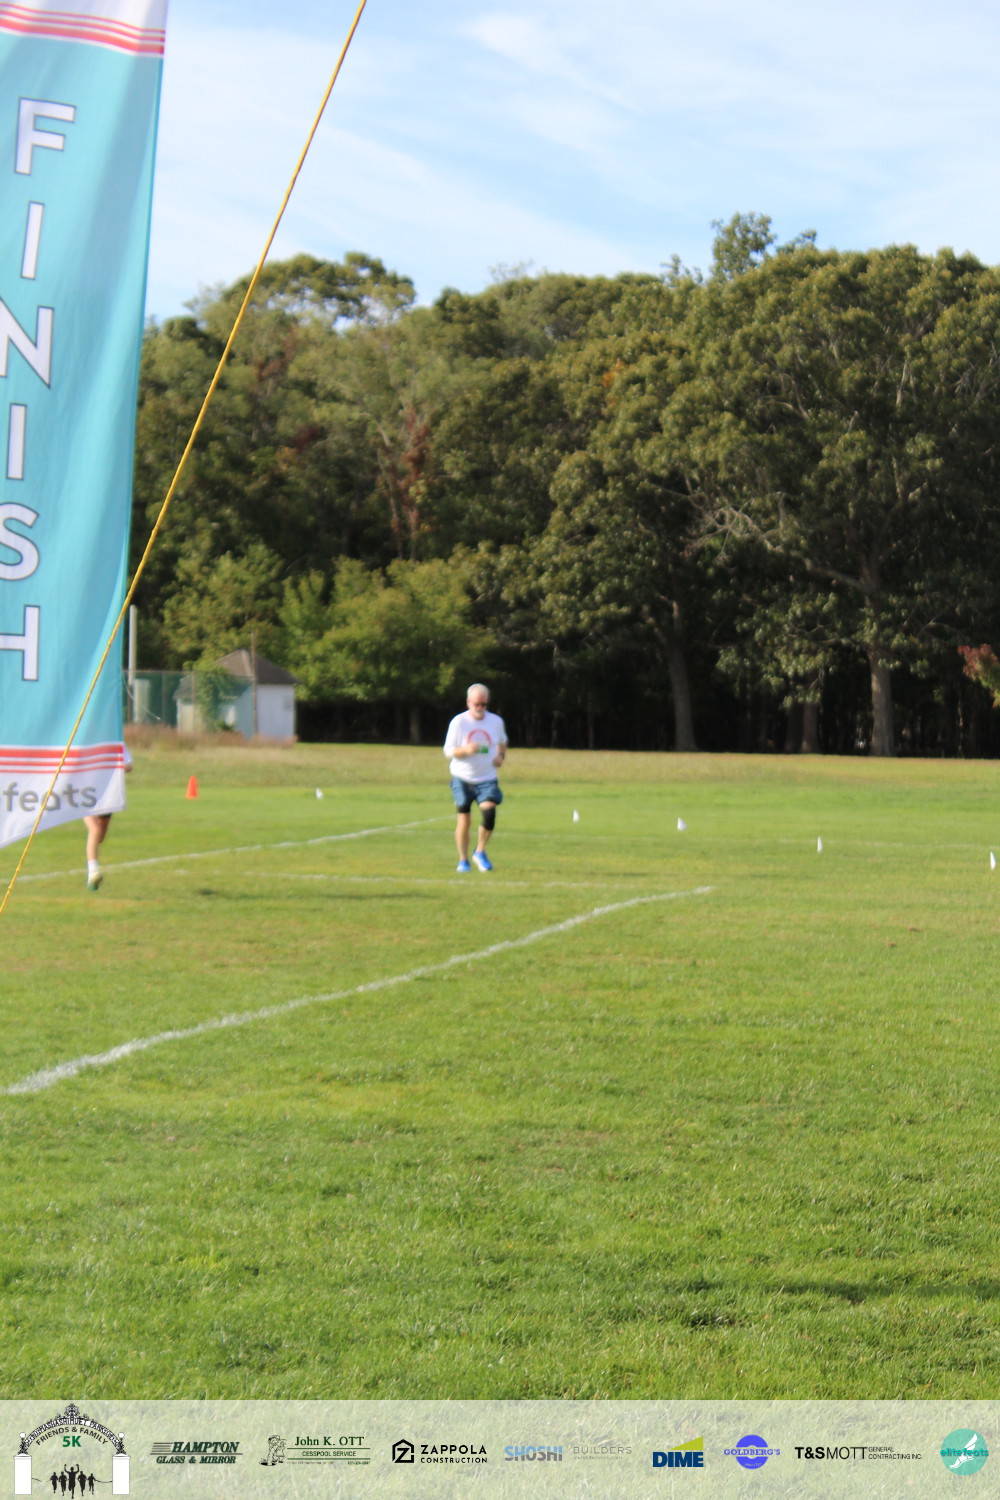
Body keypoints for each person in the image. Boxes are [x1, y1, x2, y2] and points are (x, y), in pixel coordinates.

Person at [443, 683, 507, 872]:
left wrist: (500, 756)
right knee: (464, 820)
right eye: (476, 704)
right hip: (462, 777)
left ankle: (479, 851)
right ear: (468, 702)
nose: (480, 708)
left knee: (489, 813)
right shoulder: (459, 722)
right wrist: (465, 750)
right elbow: (448, 750)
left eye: (483, 704)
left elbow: (502, 742)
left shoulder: (495, 721)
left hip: (487, 778)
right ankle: (463, 860)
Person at [85, 743, 132, 891]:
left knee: (99, 836)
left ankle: (92, 859)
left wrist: (117, 766)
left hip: (107, 796)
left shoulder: (116, 743)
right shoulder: (85, 742)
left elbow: (128, 766)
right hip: (85, 794)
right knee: (95, 830)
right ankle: (93, 871)